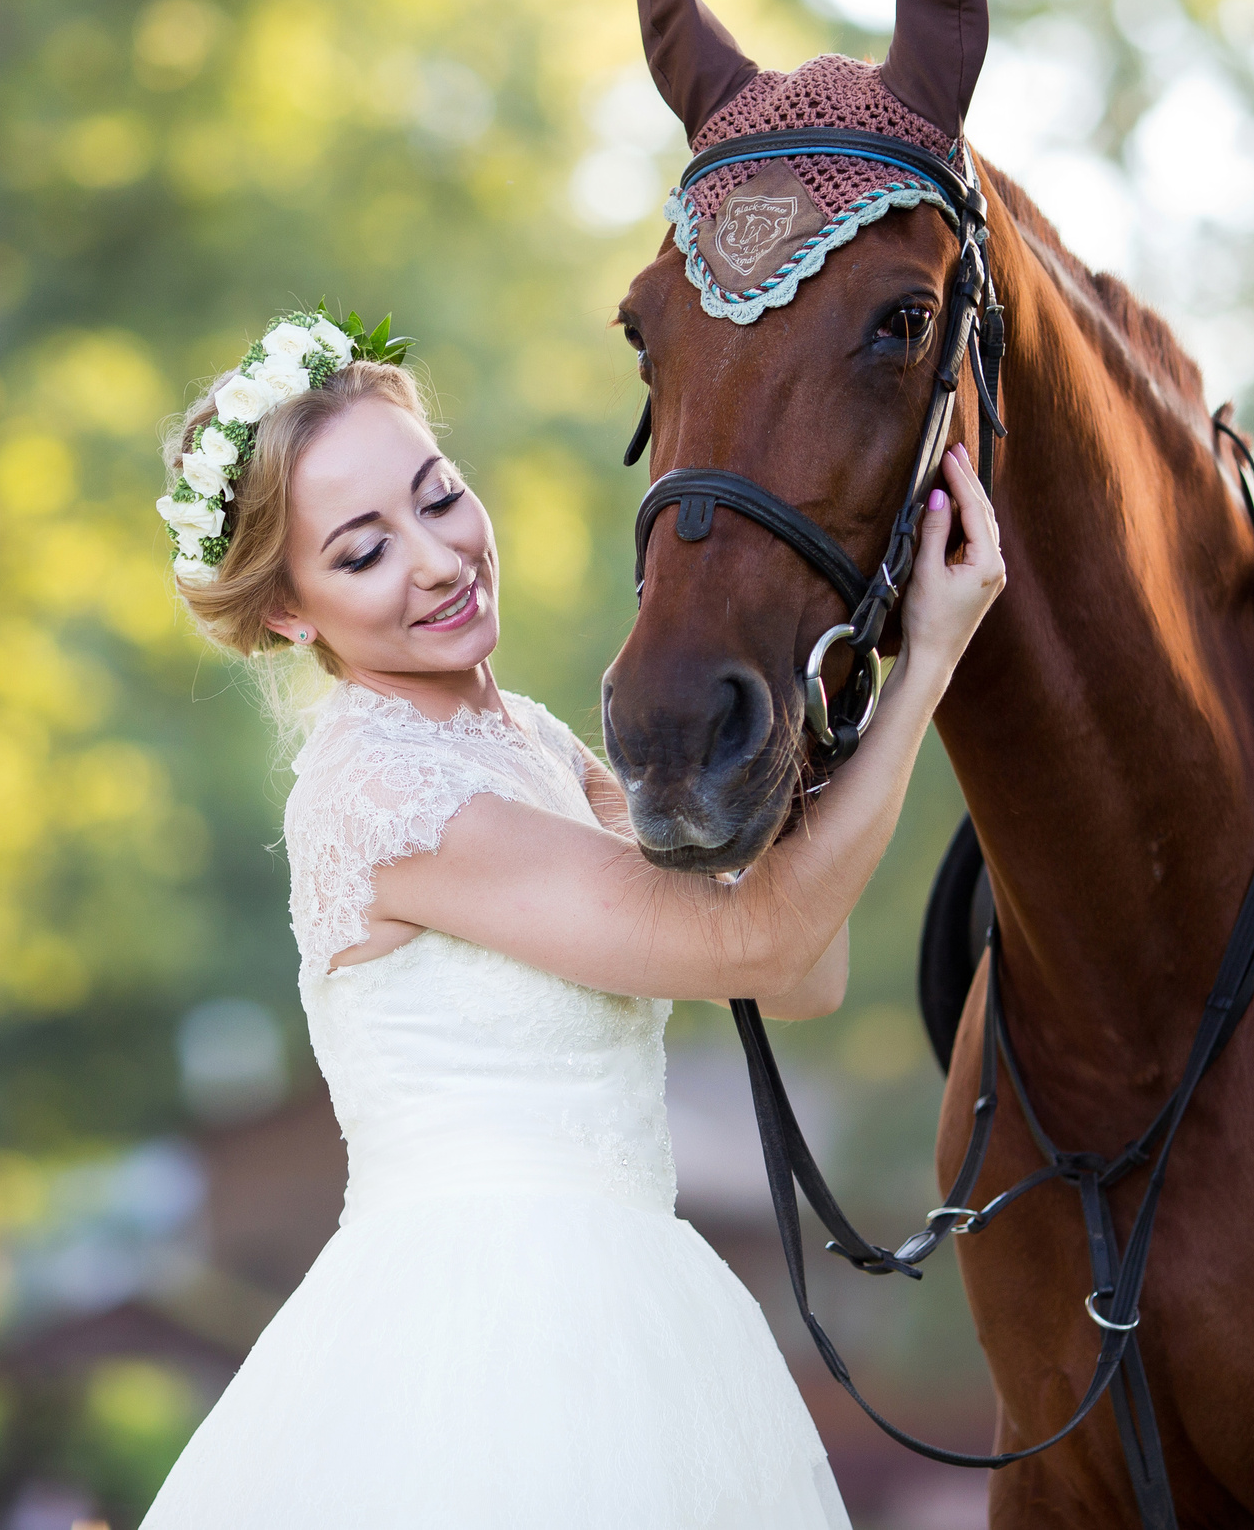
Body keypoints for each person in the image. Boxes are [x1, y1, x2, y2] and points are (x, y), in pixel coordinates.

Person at [141, 310, 1004, 1529]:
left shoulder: (531, 743)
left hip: (635, 1303)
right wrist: (929, 661)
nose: (437, 561)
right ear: (289, 614)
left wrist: (819, 688)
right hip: (480, 1343)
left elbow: (798, 967)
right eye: (361, 551)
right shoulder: (385, 789)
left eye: (436, 497)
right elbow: (751, 940)